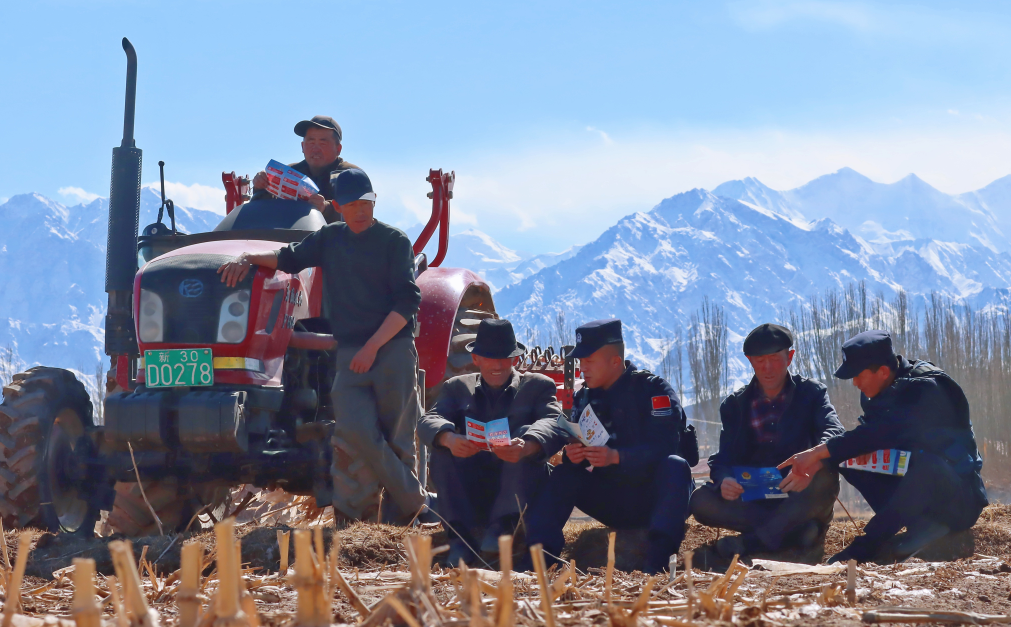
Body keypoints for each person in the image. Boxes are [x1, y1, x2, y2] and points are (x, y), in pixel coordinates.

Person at [218, 168, 426, 524]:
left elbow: (407, 304)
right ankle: (413, 505)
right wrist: (247, 259)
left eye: (367, 203)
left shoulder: (394, 241)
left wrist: (372, 347)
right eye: (352, 204)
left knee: (399, 437)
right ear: (337, 207)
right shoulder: (330, 238)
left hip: (390, 350)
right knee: (353, 430)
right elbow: (288, 257)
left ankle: (398, 524)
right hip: (349, 354)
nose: (361, 210)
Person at [781, 330, 989, 564]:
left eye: (859, 376)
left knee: (926, 465)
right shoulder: (878, 392)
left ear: (882, 371)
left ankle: (868, 545)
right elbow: (862, 443)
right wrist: (820, 460)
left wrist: (816, 453)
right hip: (918, 493)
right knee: (848, 459)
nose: (856, 384)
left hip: (958, 500)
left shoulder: (927, 389)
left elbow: (878, 434)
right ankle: (922, 526)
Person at [524, 319, 693, 574]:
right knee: (564, 474)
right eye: (580, 363)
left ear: (615, 361)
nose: (582, 369)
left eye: (589, 362)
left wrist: (617, 457)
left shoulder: (652, 390)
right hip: (614, 499)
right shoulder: (584, 398)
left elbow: (665, 447)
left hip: (655, 499)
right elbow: (578, 445)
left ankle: (658, 562)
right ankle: (538, 560)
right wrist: (575, 455)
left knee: (676, 466)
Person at [418, 318, 569, 566]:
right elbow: (429, 420)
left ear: (515, 360)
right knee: (442, 450)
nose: (497, 365)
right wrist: (449, 438)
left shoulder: (538, 386)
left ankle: (503, 527)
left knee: (523, 431)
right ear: (476, 359)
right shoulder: (456, 387)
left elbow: (554, 420)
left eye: (504, 358)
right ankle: (458, 538)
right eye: (489, 358)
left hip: (519, 490)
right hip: (472, 488)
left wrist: (528, 444)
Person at [689, 323, 844, 563]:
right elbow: (723, 458)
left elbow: (835, 431)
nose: (767, 368)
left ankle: (749, 543)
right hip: (755, 495)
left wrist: (811, 459)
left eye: (774, 359)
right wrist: (724, 480)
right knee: (701, 500)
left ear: (790, 357)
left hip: (798, 491)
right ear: (750, 361)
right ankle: (795, 534)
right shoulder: (735, 405)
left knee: (825, 476)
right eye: (760, 361)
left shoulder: (811, 394)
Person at [251, 115, 360, 224]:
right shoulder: (290, 173)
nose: (316, 149)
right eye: (311, 142)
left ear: (338, 149)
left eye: (323, 143)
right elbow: (266, 212)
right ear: (302, 146)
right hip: (290, 238)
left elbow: (360, 213)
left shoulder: (352, 175)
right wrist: (261, 187)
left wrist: (326, 208)